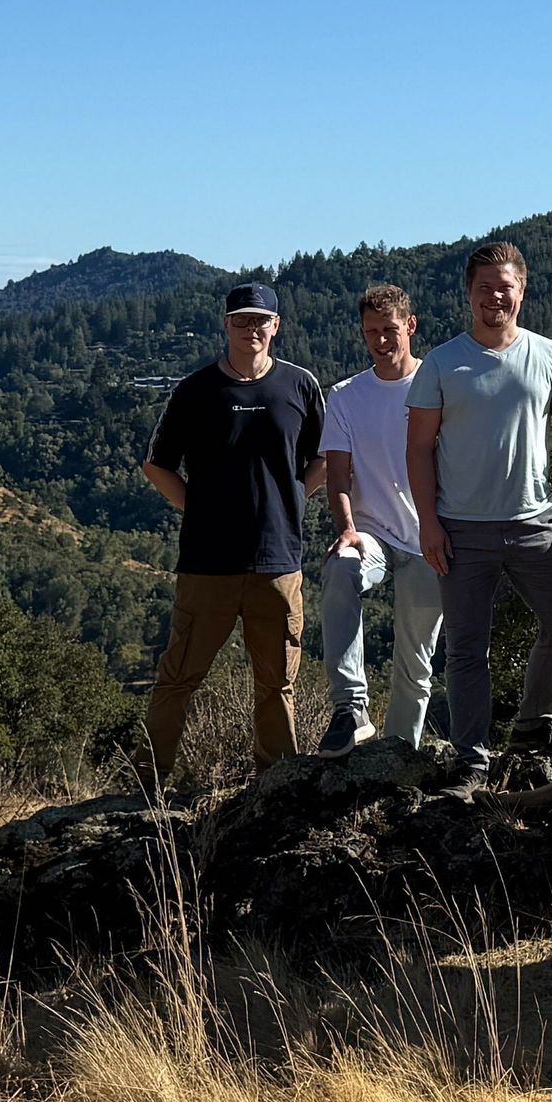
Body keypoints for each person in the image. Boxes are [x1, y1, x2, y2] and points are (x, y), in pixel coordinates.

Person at [406, 242, 552, 801]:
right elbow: (418, 448)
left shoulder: (550, 356)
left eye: (504, 287)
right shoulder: (441, 363)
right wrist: (428, 523)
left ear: (522, 290)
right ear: (469, 293)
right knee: (467, 648)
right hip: (461, 529)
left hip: (536, 522)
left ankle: (534, 726)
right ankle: (472, 760)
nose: (494, 297)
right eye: (484, 288)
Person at [135, 281, 326, 785]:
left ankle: (275, 786)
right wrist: (198, 509)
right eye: (241, 320)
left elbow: (324, 456)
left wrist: (295, 500)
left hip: (278, 563)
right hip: (207, 564)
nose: (251, 329)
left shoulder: (300, 386)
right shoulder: (195, 390)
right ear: (226, 325)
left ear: (276, 326)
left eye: (260, 320)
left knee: (277, 684)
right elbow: (156, 464)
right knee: (178, 678)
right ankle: (148, 786)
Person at [315, 284, 443, 758]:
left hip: (430, 538)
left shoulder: (439, 384)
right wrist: (347, 529)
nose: (381, 340)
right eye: (371, 332)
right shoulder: (346, 396)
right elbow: (337, 475)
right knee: (340, 569)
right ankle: (350, 708)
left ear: (411, 325)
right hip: (371, 535)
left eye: (389, 329)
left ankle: (397, 757)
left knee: (415, 663)